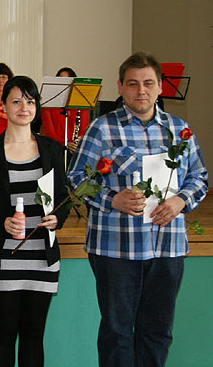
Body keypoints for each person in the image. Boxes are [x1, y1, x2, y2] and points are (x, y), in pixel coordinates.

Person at [67, 52, 208, 367]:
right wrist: (112, 199)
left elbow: (199, 177)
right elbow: (76, 179)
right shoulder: (101, 129)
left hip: (167, 250)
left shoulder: (179, 131)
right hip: (115, 250)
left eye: (148, 83)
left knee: (158, 332)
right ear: (121, 87)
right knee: (117, 333)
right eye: (132, 84)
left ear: (160, 87)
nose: (140, 90)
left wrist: (180, 200)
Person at [0, 76, 68, 367]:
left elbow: (65, 197)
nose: (24, 107)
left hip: (42, 259)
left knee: (34, 336)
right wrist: (2, 223)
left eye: (30, 101)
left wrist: (57, 217)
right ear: (3, 106)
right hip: (4, 258)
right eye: (16, 101)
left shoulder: (52, 150)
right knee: (4, 333)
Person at [40, 67, 89, 154]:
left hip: (75, 147)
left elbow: (84, 130)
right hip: (55, 147)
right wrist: (65, 143)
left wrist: (78, 141)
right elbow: (49, 132)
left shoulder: (82, 104)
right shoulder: (48, 105)